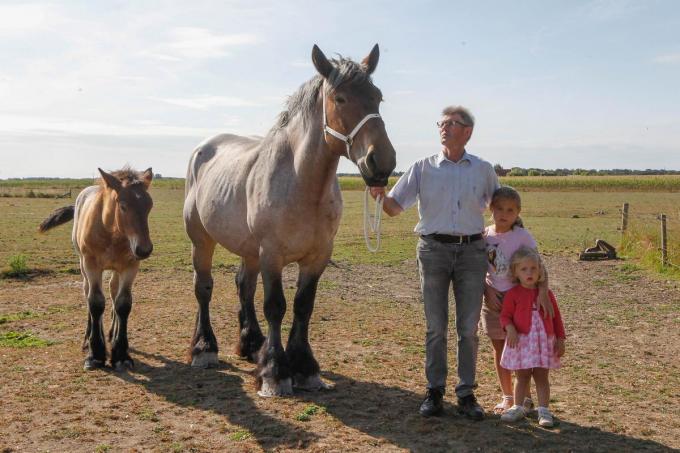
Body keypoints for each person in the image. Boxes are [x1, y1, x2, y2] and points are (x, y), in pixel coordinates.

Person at [370, 106, 498, 419]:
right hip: (433, 251)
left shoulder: (483, 170)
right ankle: (435, 391)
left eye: (453, 123)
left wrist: (517, 244)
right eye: (442, 123)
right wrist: (378, 192)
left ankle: (466, 394)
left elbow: (500, 210)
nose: (445, 127)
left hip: (472, 253)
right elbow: (394, 208)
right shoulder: (422, 168)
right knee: (435, 327)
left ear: (467, 131)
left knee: (468, 328)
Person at [482, 186, 552, 415]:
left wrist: (543, 293)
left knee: (520, 348)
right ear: (491, 209)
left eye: (510, 210)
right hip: (492, 301)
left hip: (519, 302)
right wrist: (486, 290)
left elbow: (538, 265)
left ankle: (525, 398)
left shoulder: (522, 236)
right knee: (500, 348)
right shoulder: (484, 235)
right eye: (499, 208)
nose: (504, 214)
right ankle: (507, 396)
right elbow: (478, 267)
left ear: (518, 212)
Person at [499, 247, 566, 427]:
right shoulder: (513, 294)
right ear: (515, 272)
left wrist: (560, 339)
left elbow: (556, 318)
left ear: (540, 271)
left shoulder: (547, 294)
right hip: (522, 342)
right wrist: (510, 329)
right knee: (522, 376)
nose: (529, 273)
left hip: (543, 342)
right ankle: (517, 407)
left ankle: (544, 410)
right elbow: (505, 316)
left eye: (533, 268)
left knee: (542, 377)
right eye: (524, 269)